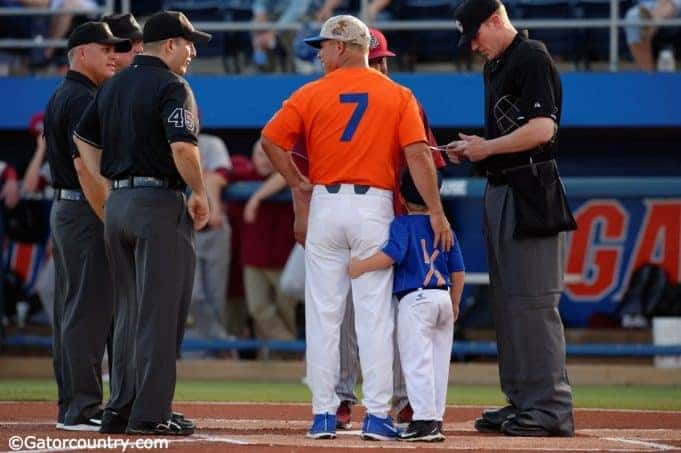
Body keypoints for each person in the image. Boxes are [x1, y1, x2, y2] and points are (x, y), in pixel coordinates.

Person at [261, 15, 451, 441]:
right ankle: (379, 416)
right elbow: (419, 156)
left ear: (343, 47)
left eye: (325, 46)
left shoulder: (310, 92)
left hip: (326, 204)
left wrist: (297, 185)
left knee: (324, 317)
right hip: (374, 208)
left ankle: (323, 414)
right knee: (375, 317)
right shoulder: (397, 93)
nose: (321, 53)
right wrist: (435, 210)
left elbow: (270, 140)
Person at [73, 10, 212, 436]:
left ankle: (121, 408)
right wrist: (202, 193)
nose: (192, 51)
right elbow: (184, 150)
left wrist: (109, 186)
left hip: (120, 204)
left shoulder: (114, 86)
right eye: (187, 42)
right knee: (159, 313)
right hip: (158, 204)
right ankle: (150, 413)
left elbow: (83, 139)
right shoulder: (172, 85)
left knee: (130, 313)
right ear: (169, 44)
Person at [449, 0, 574, 437]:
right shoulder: (497, 64)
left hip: (532, 191)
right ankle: (523, 401)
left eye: (476, 35)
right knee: (508, 304)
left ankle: (550, 408)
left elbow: (543, 129)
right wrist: (479, 146)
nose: (474, 46)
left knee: (534, 304)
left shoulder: (531, 56)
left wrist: (486, 149)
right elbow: (510, 134)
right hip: (502, 188)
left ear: (495, 20)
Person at [335, 27, 448, 431]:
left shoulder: (402, 100)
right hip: (365, 214)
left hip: (398, 218)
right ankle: (342, 398)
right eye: (377, 58)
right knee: (350, 307)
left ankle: (404, 400)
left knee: (398, 311)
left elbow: (427, 164)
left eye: (382, 60)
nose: (381, 66)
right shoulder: (342, 97)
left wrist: (431, 213)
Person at [43, 21, 130, 431]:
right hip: (84, 209)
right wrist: (109, 217)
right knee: (87, 313)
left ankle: (73, 405)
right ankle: (81, 408)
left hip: (69, 209)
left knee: (74, 311)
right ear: (81, 53)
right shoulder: (81, 97)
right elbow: (85, 167)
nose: (113, 55)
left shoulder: (70, 92)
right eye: (104, 48)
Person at [349, 171, 465, 442]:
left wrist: (360, 266)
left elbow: (392, 254)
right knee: (438, 364)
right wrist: (456, 301)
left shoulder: (402, 223)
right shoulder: (445, 227)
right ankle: (434, 419)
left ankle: (424, 421)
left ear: (400, 197)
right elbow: (458, 271)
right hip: (443, 296)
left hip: (416, 299)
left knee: (417, 363)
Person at [239, 141, 297, 345]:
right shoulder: (245, 175)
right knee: (258, 308)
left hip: (282, 258)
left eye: (268, 154)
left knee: (286, 310)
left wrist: (256, 197)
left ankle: (287, 362)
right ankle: (292, 350)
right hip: (253, 257)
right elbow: (216, 176)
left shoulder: (289, 175)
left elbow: (286, 174)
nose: (264, 160)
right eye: (259, 155)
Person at [188, 131, 232, 342]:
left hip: (214, 229)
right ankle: (221, 342)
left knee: (216, 297)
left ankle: (214, 352)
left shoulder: (211, 143)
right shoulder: (166, 142)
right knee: (193, 295)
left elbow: (219, 175)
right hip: (184, 227)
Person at [624, 0, 681, 71]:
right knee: (633, 16)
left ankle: (653, 21)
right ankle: (649, 75)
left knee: (674, 3)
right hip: (648, 6)